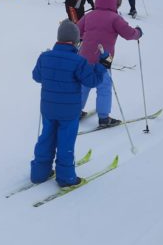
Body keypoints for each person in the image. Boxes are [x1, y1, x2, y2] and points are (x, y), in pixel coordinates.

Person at [30, 20, 106, 187]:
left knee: (47, 137)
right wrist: (102, 65)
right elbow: (92, 81)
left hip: (48, 108)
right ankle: (65, 178)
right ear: (75, 41)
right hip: (69, 112)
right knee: (65, 141)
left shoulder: (45, 57)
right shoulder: (78, 61)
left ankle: (39, 172)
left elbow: (37, 76)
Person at [78, 0, 143, 127]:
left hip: (84, 58)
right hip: (104, 59)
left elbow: (78, 31)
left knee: (83, 85)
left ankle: (76, 111)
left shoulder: (89, 15)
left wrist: (87, 37)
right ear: (114, 3)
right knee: (104, 87)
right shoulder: (115, 18)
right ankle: (103, 118)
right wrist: (138, 33)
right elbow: (129, 34)